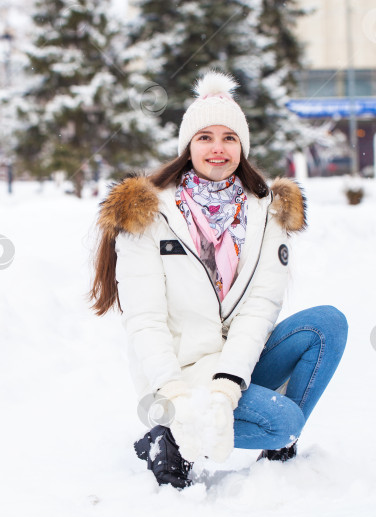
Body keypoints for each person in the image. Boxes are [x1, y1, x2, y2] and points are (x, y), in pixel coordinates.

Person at [90, 71, 348, 489]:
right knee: (281, 421)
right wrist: (175, 396)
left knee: (327, 324)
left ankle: (276, 443)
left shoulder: (266, 212)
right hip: (181, 373)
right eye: (205, 137)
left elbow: (261, 308)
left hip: (238, 364)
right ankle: (173, 435)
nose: (217, 148)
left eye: (229, 137)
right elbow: (145, 321)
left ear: (242, 147)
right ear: (188, 145)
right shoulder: (148, 214)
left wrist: (228, 385)